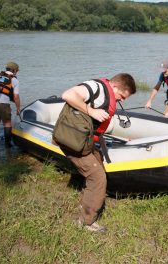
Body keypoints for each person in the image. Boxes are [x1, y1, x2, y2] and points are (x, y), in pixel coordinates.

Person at [60, 73, 136, 233]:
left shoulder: (108, 92)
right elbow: (67, 95)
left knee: (98, 165)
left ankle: (87, 203)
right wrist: (91, 111)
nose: (123, 100)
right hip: (73, 139)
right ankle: (85, 222)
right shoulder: (97, 88)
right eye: (122, 96)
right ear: (114, 87)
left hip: (85, 139)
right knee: (97, 177)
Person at [0, 62, 21, 148]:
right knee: (7, 123)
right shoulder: (14, 80)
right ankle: (7, 144)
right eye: (16, 70)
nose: (17, 72)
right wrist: (18, 108)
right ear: (14, 70)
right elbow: (16, 97)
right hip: (3, 104)